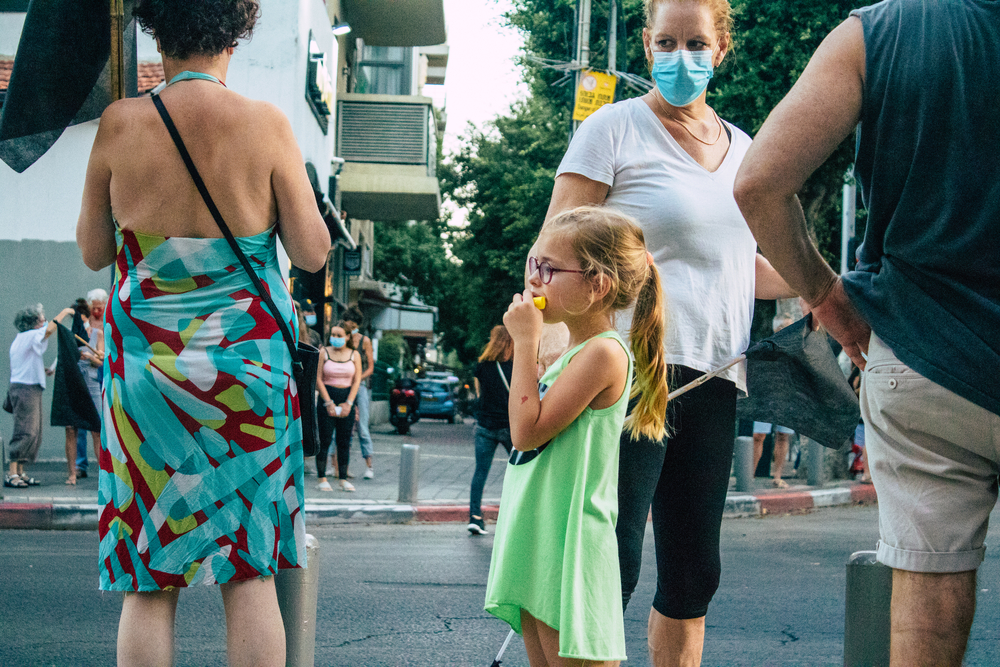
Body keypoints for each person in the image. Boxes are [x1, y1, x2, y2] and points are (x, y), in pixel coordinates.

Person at [733, 1, 1000, 664]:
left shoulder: (876, 34)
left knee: (925, 598)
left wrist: (826, 296)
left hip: (919, 359)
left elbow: (760, 183)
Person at [75, 0, 330, 664]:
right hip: (247, 376)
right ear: (237, 34)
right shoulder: (267, 125)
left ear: (156, 29)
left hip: (147, 379)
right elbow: (310, 252)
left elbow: (94, 250)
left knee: (148, 578)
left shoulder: (120, 123)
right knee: (249, 573)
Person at [544, 0, 794, 663]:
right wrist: (546, 348)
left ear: (721, 49)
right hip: (626, 375)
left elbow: (745, 267)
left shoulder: (745, 151)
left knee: (693, 573)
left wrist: (822, 284)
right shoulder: (614, 130)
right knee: (612, 559)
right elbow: (550, 248)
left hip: (713, 377)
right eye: (665, 41)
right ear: (646, 45)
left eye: (695, 42)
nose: (679, 55)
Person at [485, 206, 668, 667]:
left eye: (549, 269)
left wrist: (526, 343)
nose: (535, 278)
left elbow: (525, 433)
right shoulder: (575, 352)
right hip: (541, 535)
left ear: (597, 285)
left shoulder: (603, 354)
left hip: (570, 544)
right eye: (533, 264)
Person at [4, 305, 75, 488]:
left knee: (33, 431)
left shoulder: (23, 339)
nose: (44, 322)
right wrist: (65, 312)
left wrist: (42, 371)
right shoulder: (29, 336)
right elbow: (51, 328)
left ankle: (19, 471)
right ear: (34, 322)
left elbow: (26, 362)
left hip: (27, 387)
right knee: (26, 430)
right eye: (42, 320)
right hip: (26, 389)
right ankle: (12, 473)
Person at [467, 324, 514, 535]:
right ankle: (513, 518)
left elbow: (479, 395)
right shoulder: (514, 366)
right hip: (508, 427)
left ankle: (475, 517)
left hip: (485, 425)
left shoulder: (481, 366)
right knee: (519, 471)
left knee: (480, 472)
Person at [315, 322, 361, 492]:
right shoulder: (324, 352)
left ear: (347, 337)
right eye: (333, 335)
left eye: (339, 335)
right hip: (327, 397)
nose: (335, 338)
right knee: (325, 439)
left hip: (346, 398)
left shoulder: (354, 355)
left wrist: (349, 403)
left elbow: (356, 380)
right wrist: (328, 402)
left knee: (344, 440)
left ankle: (342, 477)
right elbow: (318, 378)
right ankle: (322, 477)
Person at [74, 288, 107, 479]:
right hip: (84, 375)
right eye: (93, 309)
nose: (96, 312)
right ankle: (81, 465)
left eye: (99, 308)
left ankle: (102, 465)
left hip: (99, 373)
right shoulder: (83, 326)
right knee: (80, 426)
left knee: (97, 423)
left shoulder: (104, 324)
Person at [341, 306, 375, 479]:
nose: (351, 326)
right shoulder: (340, 338)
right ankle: (340, 466)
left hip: (359, 386)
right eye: (349, 323)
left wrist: (358, 378)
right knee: (343, 427)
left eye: (354, 324)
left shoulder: (364, 341)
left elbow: (371, 367)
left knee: (362, 426)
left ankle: (369, 465)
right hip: (343, 384)